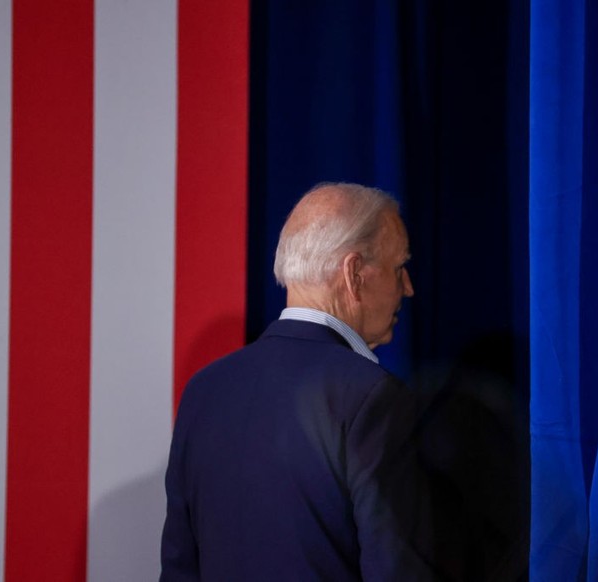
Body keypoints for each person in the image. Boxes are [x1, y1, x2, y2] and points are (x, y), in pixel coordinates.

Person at [160, 183, 435, 581]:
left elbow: (179, 570)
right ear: (354, 274)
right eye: (398, 269)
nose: (407, 287)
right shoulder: (374, 398)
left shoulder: (204, 391)